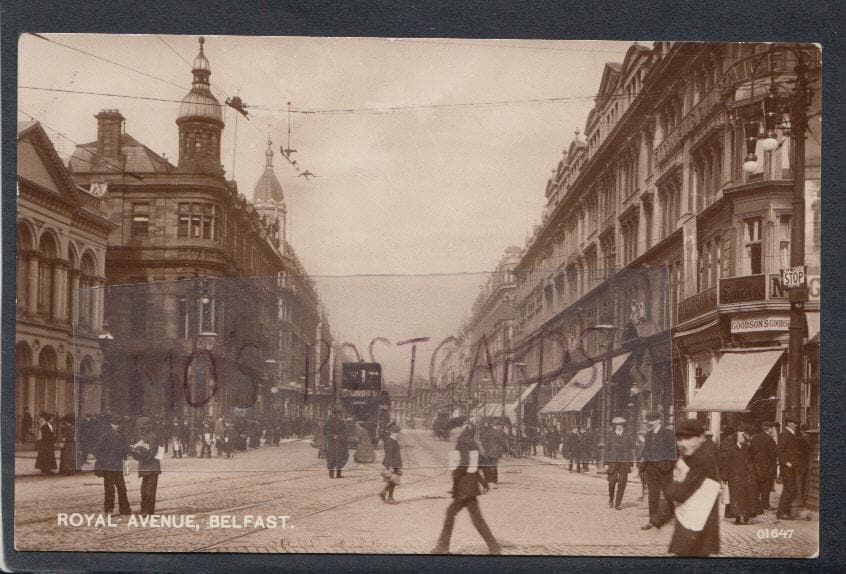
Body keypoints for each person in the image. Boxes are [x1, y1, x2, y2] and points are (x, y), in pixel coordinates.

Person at [431, 417, 501, 555]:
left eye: (452, 430)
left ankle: (443, 547)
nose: (452, 433)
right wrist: (483, 482)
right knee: (475, 518)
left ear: (459, 427)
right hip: (469, 486)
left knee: (453, 514)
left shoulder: (463, 441)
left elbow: (464, 464)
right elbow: (475, 464)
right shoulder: (470, 439)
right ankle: (493, 547)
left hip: (464, 486)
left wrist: (455, 481)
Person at [653, 420, 721, 556]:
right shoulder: (690, 455)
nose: (683, 443)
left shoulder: (701, 458)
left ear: (701, 437)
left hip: (696, 525)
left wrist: (659, 518)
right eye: (680, 439)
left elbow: (680, 491)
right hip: (692, 521)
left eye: (689, 438)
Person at [640, 413, 677, 530]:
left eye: (652, 420)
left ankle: (673, 516)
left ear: (658, 421)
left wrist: (671, 466)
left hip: (665, 468)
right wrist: (642, 463)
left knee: (668, 494)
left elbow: (674, 450)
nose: (650, 423)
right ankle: (653, 520)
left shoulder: (669, 433)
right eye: (649, 421)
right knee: (653, 495)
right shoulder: (648, 434)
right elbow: (645, 450)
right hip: (651, 468)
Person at [93, 414, 131, 516]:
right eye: (115, 424)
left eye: (118, 424)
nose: (117, 426)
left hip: (118, 466)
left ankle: (125, 509)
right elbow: (96, 450)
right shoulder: (106, 435)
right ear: (111, 424)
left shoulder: (122, 435)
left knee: (122, 488)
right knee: (110, 490)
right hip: (108, 467)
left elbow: (126, 449)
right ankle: (108, 510)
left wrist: (130, 451)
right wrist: (104, 460)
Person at [721, 427, 757, 524]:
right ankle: (737, 517)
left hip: (745, 477)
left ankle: (745, 516)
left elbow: (752, 459)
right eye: (740, 437)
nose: (742, 439)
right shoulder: (731, 449)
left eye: (743, 437)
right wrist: (724, 477)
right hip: (734, 477)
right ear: (736, 438)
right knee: (735, 498)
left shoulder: (747, 448)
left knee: (745, 497)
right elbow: (726, 464)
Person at [130, 417, 161, 516]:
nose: (141, 430)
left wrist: (141, 457)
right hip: (144, 467)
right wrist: (135, 453)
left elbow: (152, 453)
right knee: (144, 490)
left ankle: (149, 510)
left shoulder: (152, 437)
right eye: (140, 428)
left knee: (150, 490)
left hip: (152, 467)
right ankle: (144, 509)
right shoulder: (142, 437)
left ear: (148, 427)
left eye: (143, 428)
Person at [606, 417, 635, 510]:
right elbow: (606, 450)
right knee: (612, 482)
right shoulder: (610, 435)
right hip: (613, 461)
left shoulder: (628, 435)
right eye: (617, 425)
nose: (618, 427)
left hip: (624, 462)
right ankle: (611, 498)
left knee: (622, 482)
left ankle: (618, 503)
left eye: (620, 425)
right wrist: (606, 463)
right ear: (615, 426)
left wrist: (631, 464)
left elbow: (631, 449)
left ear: (623, 426)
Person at [776, 418, 802, 520]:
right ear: (789, 423)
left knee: (791, 489)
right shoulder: (784, 434)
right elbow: (779, 450)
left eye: (797, 423)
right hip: (787, 467)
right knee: (789, 489)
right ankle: (782, 513)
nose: (796, 425)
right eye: (795, 423)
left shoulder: (793, 434)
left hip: (792, 466)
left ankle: (784, 512)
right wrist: (786, 462)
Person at [750, 422, 778, 513]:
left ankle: (756, 505)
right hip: (767, 466)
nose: (773, 430)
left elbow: (751, 451)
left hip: (756, 465)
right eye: (772, 428)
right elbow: (773, 455)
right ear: (768, 429)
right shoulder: (770, 440)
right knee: (766, 486)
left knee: (757, 486)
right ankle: (765, 505)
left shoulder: (754, 438)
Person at [380, 423, 403, 504]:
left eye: (398, 432)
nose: (398, 434)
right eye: (396, 432)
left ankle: (384, 493)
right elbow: (389, 454)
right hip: (392, 464)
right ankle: (390, 498)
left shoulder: (393, 440)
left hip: (394, 464)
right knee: (393, 481)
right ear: (392, 432)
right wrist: (389, 466)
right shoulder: (391, 441)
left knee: (392, 481)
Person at [325, 408, 349, 478]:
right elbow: (326, 431)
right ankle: (331, 474)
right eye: (336, 414)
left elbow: (345, 431)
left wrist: (340, 436)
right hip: (332, 443)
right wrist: (332, 436)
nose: (338, 416)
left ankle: (338, 474)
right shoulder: (329, 422)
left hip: (340, 443)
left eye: (339, 414)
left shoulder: (342, 422)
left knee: (340, 458)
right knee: (332, 458)